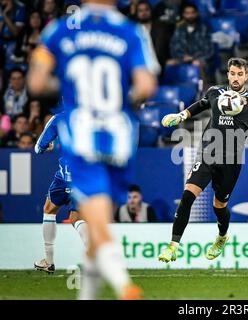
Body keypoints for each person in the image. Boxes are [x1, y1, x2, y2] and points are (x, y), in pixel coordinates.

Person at [27, 0, 159, 300]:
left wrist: (76, 91)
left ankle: (124, 284)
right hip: (120, 135)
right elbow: (147, 86)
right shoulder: (132, 31)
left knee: (93, 221)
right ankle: (87, 294)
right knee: (96, 217)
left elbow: (36, 82)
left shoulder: (58, 30)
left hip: (83, 137)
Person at [157, 57, 248, 263]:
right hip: (208, 155)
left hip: (231, 162)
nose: (236, 78)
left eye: (240, 74)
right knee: (187, 196)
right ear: (228, 74)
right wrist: (181, 115)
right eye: (233, 73)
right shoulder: (215, 92)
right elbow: (200, 105)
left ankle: (221, 237)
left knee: (219, 206)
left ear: (246, 76)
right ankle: (173, 246)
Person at [33, 113, 88, 274]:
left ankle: (49, 261)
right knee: (76, 218)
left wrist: (47, 146)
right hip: (85, 176)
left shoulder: (59, 119)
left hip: (65, 175)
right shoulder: (95, 116)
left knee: (49, 210)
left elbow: (38, 148)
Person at [168, 3, 214, 84]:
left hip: (200, 59)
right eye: (187, 13)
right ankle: (172, 91)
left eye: (192, 13)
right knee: (169, 64)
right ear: (183, 14)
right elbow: (174, 47)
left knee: (197, 64)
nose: (190, 15)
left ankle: (203, 92)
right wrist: (182, 57)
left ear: (197, 13)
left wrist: (194, 58)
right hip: (182, 59)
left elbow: (209, 49)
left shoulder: (204, 29)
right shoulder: (179, 29)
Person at [134, 0, 174, 71]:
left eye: (146, 10)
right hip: (140, 67)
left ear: (151, 11)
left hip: (160, 65)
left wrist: (170, 59)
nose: (144, 13)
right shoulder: (133, 30)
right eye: (140, 11)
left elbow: (169, 46)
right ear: (137, 13)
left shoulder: (162, 28)